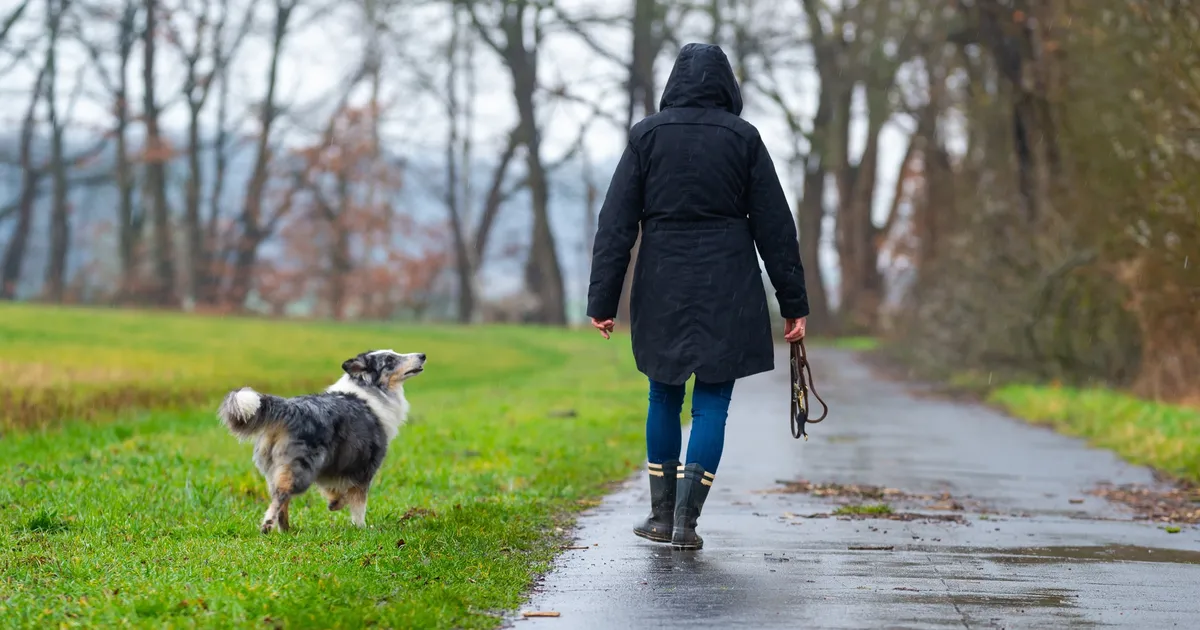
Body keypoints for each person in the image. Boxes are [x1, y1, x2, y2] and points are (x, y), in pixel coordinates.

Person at [586, 43, 810, 550]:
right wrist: (793, 302)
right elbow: (776, 226)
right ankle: (686, 523)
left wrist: (603, 300)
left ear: (674, 83)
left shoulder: (646, 136)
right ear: (727, 85)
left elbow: (615, 223)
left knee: (663, 393)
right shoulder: (744, 138)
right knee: (713, 402)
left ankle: (660, 516)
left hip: (661, 279)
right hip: (728, 281)